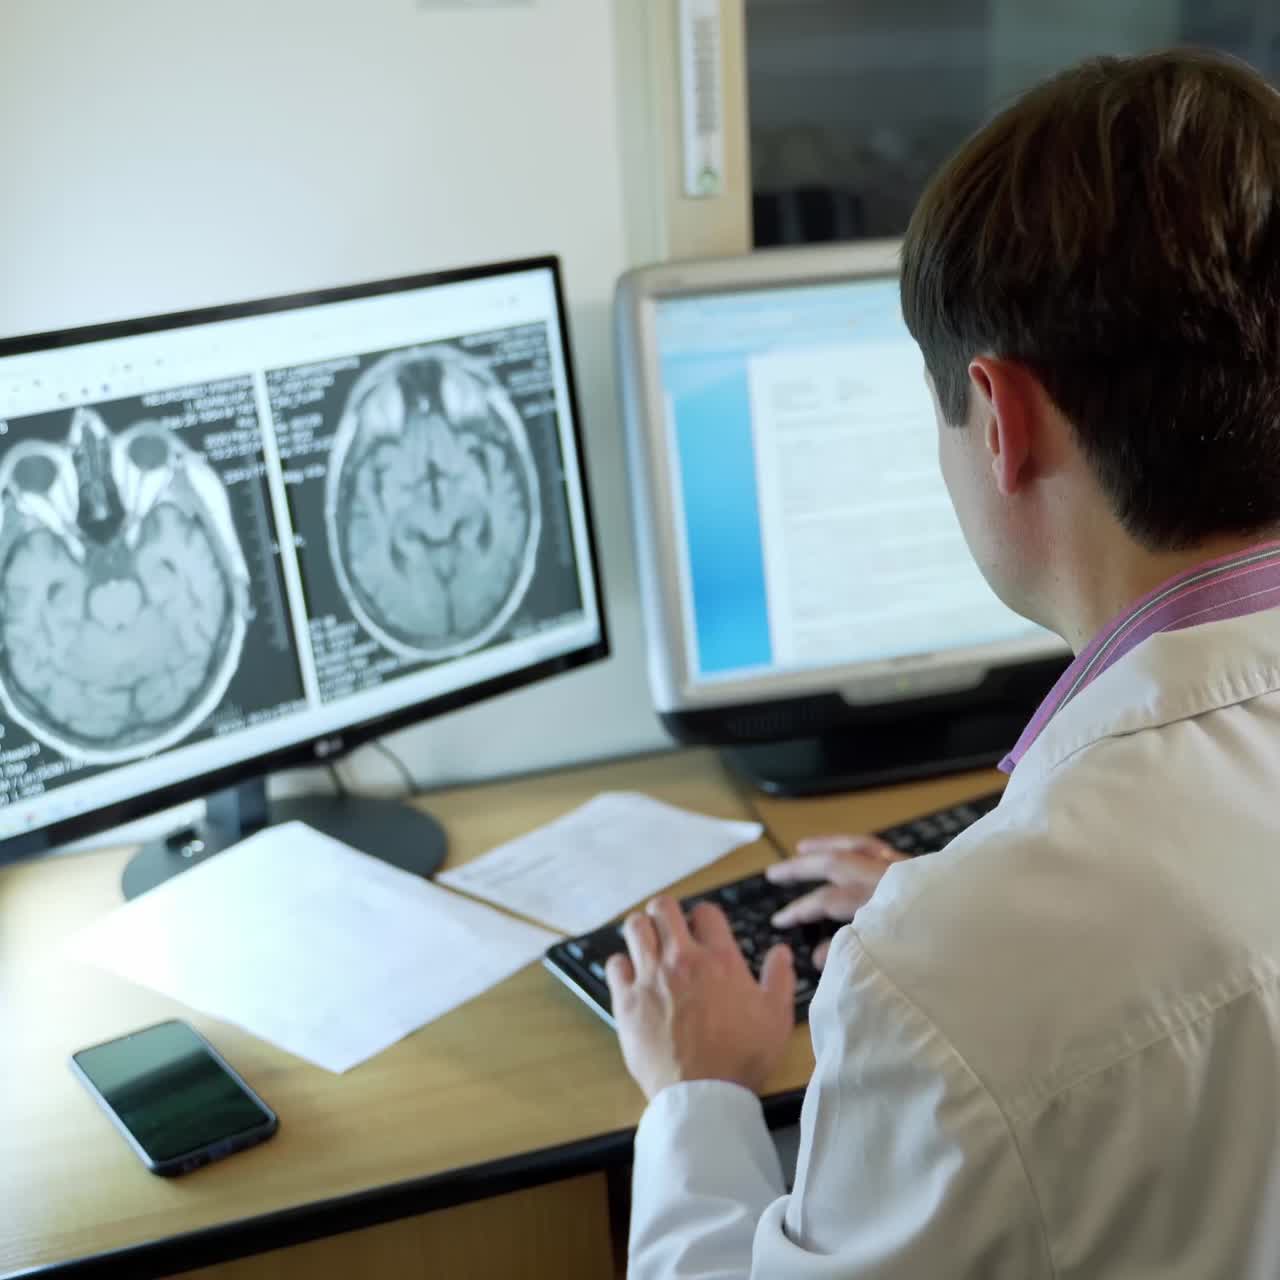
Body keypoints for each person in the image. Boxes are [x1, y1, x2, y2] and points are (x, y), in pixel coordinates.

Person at [607, 48, 1280, 1278]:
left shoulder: (948, 977)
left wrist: (694, 1092)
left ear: (999, 417)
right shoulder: (969, 946)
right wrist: (972, 886)